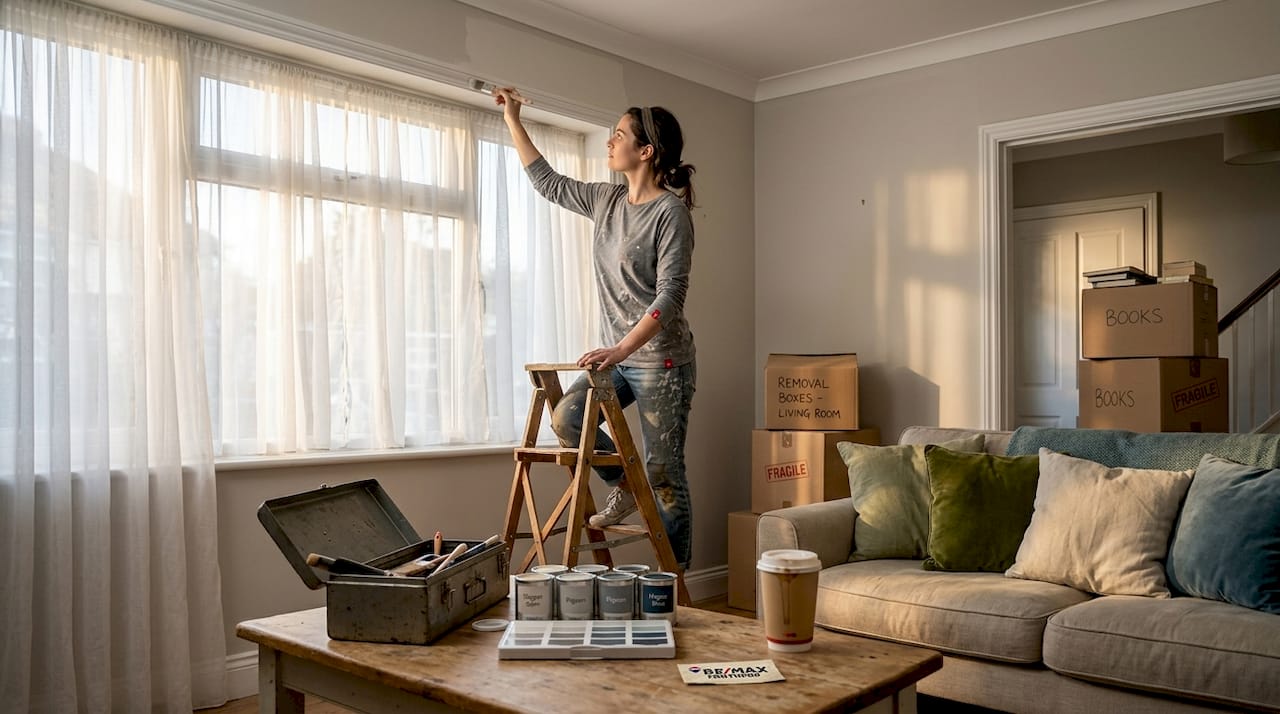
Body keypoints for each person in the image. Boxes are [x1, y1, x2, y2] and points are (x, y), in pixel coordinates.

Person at [495, 87, 698, 570]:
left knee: (665, 473)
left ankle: (674, 582)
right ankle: (625, 490)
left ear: (645, 151)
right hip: (620, 359)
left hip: (662, 362)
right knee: (566, 418)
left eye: (619, 135)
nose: (610, 142)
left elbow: (670, 297)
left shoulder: (670, 214)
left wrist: (620, 349)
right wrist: (513, 120)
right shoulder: (606, 200)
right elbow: (548, 183)